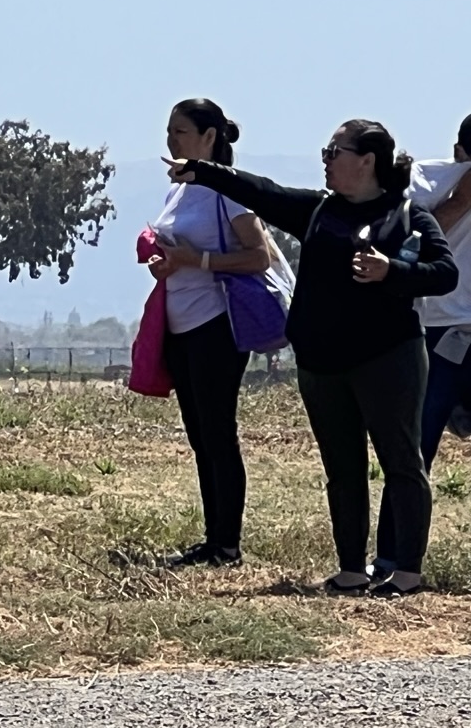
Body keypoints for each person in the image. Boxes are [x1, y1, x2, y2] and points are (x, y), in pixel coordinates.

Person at [167, 119, 457, 596]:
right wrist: (203, 170)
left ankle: (406, 573)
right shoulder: (318, 211)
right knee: (342, 469)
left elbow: (443, 272)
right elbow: (262, 191)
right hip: (322, 363)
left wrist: (393, 270)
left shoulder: (407, 217)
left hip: (389, 358)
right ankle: (351, 570)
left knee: (401, 463)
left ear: (366, 161)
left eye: (333, 150)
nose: (325, 159)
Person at [144, 99, 275, 567]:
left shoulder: (228, 190)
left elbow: (257, 256)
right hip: (179, 325)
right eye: (169, 130)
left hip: (216, 324)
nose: (171, 140)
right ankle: (212, 536)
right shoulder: (180, 190)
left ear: (209, 137)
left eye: (180, 131)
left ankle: (228, 542)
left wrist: (195, 262)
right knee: (200, 434)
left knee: (219, 432)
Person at [376, 111, 471, 577]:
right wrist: (461, 197)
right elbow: (405, 244)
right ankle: (391, 558)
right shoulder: (428, 188)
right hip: (439, 331)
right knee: (414, 449)